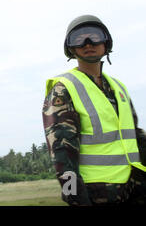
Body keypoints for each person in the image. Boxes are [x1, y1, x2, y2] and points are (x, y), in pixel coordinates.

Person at [42, 14, 146, 206]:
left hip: (135, 188)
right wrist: (74, 197)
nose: (88, 43)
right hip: (96, 194)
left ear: (106, 43)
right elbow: (62, 155)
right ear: (70, 48)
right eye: (79, 39)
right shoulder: (64, 88)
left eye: (94, 36)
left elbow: (136, 137)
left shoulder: (119, 87)